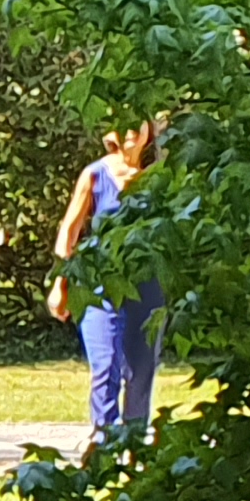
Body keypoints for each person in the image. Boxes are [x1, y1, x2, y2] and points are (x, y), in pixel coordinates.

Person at [51, 118, 162, 441]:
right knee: (106, 367)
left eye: (136, 123)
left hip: (148, 289)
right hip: (99, 287)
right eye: (120, 123)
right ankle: (104, 445)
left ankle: (135, 445)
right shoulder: (95, 174)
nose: (128, 130)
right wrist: (61, 284)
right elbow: (68, 232)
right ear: (109, 133)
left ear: (148, 132)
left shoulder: (160, 180)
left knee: (141, 372)